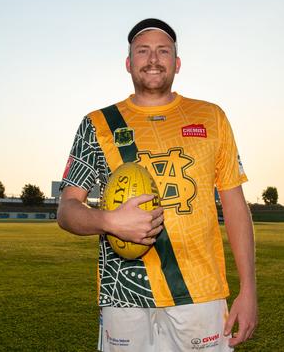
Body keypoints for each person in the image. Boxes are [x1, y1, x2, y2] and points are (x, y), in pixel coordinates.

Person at [58, 18, 257, 351]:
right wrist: (108, 221)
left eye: (163, 51)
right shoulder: (98, 124)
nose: (153, 59)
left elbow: (235, 205)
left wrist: (248, 289)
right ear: (128, 63)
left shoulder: (211, 117)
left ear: (177, 63)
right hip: (124, 295)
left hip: (200, 293)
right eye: (143, 51)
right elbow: (66, 210)